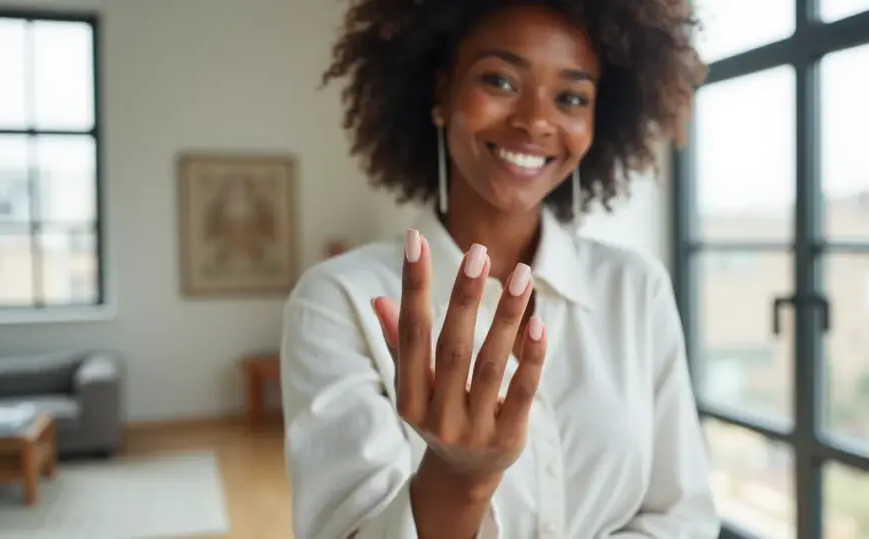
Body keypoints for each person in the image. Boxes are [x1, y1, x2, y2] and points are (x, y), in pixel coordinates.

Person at [280, 1, 719, 538]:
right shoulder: (338, 300)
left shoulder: (637, 289)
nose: (536, 119)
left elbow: (684, 517)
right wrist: (461, 477)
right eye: (500, 80)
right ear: (442, 95)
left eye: (572, 97)